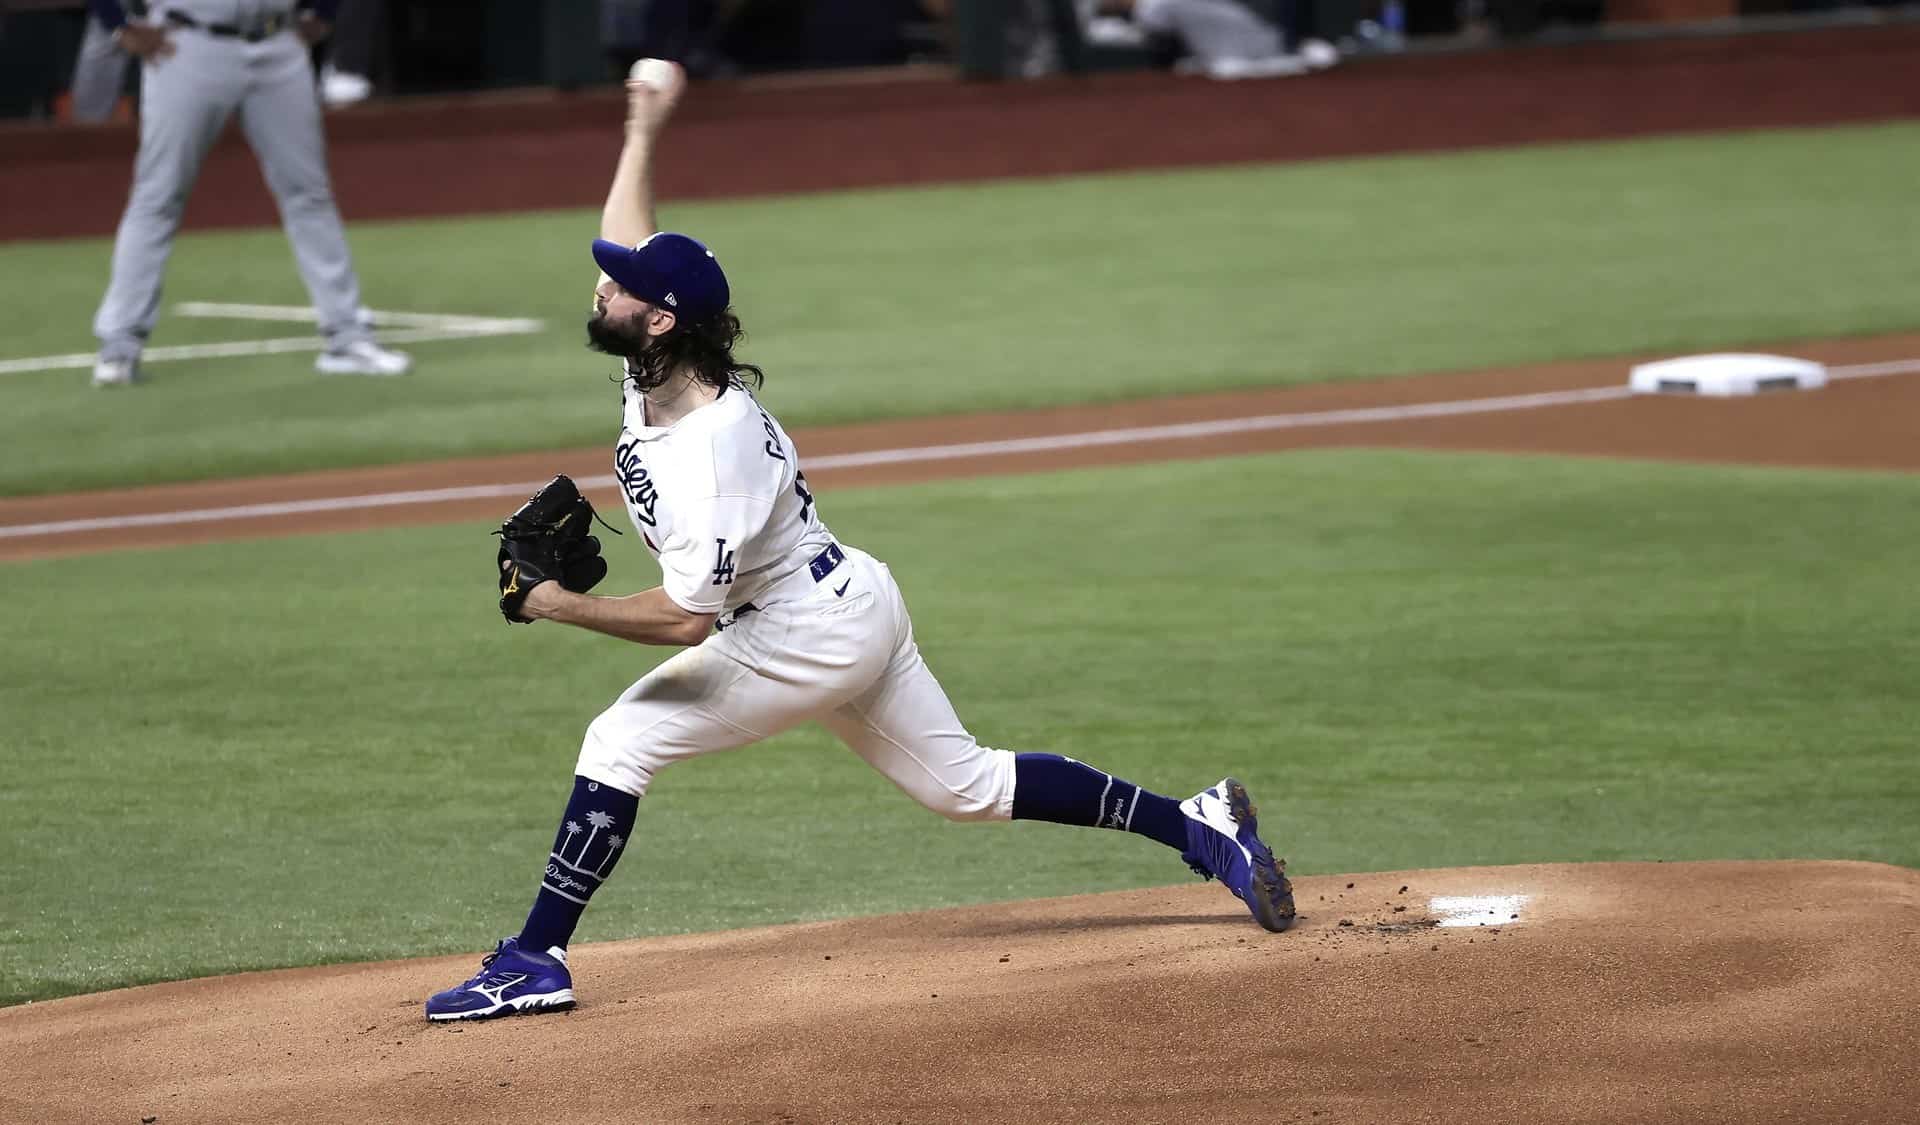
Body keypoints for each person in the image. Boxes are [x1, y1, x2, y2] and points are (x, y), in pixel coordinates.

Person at [423, 62, 1295, 1023]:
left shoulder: (713, 448)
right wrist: (643, 126)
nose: (601, 284)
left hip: (796, 631)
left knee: (619, 739)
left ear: (661, 319)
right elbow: (631, 234)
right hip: (850, 598)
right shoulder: (658, 368)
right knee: (968, 785)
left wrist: (552, 603)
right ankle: (1198, 822)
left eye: (620, 286)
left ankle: (536, 957)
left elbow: (682, 622)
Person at [86, 0, 409, 387]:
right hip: (187, 43)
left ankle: (347, 338)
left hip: (279, 44)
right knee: (158, 197)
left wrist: (323, 12)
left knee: (309, 195)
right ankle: (120, 345)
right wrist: (119, 27)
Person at [1090, 0, 1339, 79]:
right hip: (1250, 38)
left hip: (1250, 45)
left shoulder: (1157, 4)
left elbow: (1148, 24)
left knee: (1230, 68)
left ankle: (1296, 54)